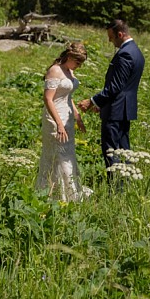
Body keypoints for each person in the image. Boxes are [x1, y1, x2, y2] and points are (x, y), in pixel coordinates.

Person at [79, 19, 144, 186]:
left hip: (116, 110)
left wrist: (92, 101)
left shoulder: (125, 54)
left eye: (111, 37)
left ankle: (116, 187)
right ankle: (127, 183)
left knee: (111, 150)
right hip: (124, 108)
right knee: (124, 149)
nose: (110, 41)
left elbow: (115, 87)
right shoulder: (136, 51)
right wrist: (102, 104)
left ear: (120, 34)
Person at [36, 41, 92, 202]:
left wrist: (77, 117)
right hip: (54, 118)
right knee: (58, 156)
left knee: (68, 155)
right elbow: (48, 99)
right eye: (78, 62)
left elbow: (68, 96)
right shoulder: (55, 70)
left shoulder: (69, 71)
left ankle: (71, 192)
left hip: (67, 117)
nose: (79, 66)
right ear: (69, 56)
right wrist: (59, 124)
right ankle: (55, 194)